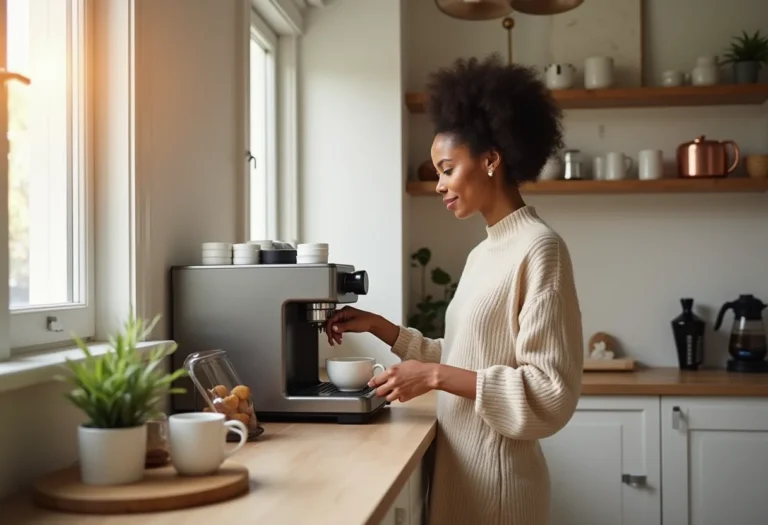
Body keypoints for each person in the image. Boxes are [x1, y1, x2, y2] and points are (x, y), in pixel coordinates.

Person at [325, 54, 584, 525]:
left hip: (500, 493)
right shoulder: (483, 253)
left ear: (490, 160)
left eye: (447, 169)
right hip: (462, 482)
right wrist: (383, 329)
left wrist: (434, 377)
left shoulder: (540, 249)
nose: (439, 185)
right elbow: (469, 357)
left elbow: (550, 392)